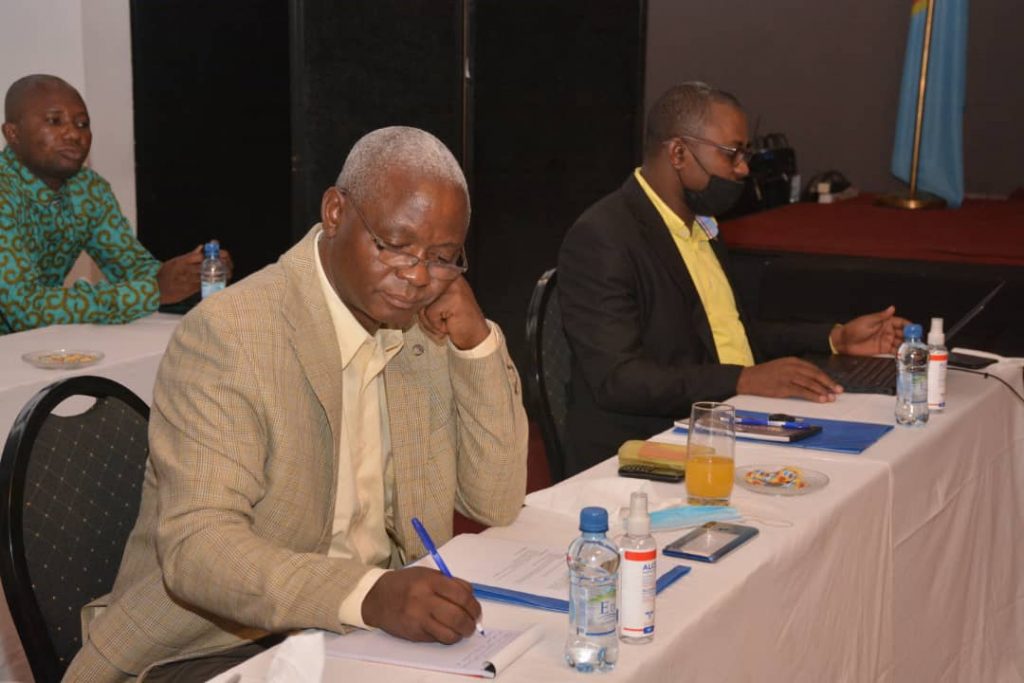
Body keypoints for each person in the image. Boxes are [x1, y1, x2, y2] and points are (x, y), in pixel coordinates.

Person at [64, 126, 528, 681]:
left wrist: (475, 344)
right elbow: (199, 548)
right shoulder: (232, 334)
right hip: (213, 646)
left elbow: (495, 500)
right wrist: (366, 593)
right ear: (335, 212)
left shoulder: (423, 327)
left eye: (443, 257)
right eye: (396, 246)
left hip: (369, 636)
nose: (417, 276)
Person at [558, 82, 907, 476]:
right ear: (678, 153)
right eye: (732, 154)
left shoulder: (703, 225)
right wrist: (743, 379)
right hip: (644, 455)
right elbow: (620, 379)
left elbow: (731, 334)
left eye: (745, 155)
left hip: (726, 426)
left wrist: (835, 338)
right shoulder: (603, 237)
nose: (743, 169)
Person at [0, 74, 231, 334]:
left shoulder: (88, 189)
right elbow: (26, 309)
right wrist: (153, 290)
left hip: (34, 345)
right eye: (55, 121)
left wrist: (189, 275)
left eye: (82, 124)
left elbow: (132, 268)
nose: (74, 134)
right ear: (13, 134)